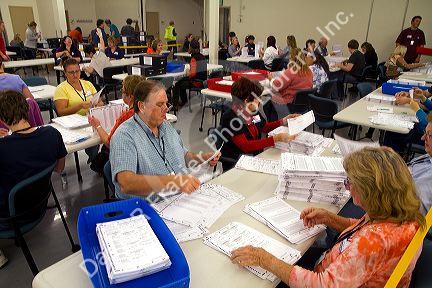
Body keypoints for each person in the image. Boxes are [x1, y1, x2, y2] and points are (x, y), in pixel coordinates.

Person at [231, 147, 425, 287]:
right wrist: (329, 218)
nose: (347, 187)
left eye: (350, 182)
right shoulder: (402, 214)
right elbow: (362, 227)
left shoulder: (374, 241)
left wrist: (264, 259)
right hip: (339, 268)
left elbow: (322, 285)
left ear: (370, 191)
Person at [110, 80, 220, 200]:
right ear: (142, 106)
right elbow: (127, 183)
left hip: (178, 200)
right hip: (147, 208)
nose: (166, 109)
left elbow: (184, 156)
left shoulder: (165, 126)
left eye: (166, 104)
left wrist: (204, 158)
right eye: (160, 104)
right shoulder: (125, 135)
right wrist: (173, 182)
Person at [0, 90, 67, 268]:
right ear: (27, 109)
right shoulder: (52, 134)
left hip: (11, 216)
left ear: (3, 118)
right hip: (40, 205)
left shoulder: (3, 148)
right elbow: (59, 169)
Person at [220, 77, 298, 171]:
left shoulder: (252, 110)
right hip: (236, 163)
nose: (260, 100)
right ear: (246, 100)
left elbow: (264, 127)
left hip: (255, 156)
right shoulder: (231, 117)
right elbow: (246, 146)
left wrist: (284, 120)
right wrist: (276, 139)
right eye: (258, 98)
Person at [89, 75, 143, 147]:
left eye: (122, 91)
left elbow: (109, 143)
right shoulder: (148, 111)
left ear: (130, 96)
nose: (121, 93)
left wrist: (97, 126)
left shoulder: (126, 117)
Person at [266, 48, 313, 120]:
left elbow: (276, 86)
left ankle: (272, 125)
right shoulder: (309, 71)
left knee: (267, 101)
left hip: (288, 103)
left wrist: (271, 79)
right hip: (303, 105)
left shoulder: (291, 71)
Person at [0, 59, 43, 133]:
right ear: (2, 65)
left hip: (4, 128)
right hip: (24, 122)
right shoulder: (16, 78)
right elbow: (30, 99)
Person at [384, 87, 431, 153]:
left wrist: (416, 108)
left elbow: (426, 125)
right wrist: (422, 98)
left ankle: (393, 159)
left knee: (394, 132)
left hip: (425, 135)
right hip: (426, 129)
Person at [173, 39, 207, 109]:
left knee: (177, 82)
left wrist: (188, 72)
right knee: (181, 81)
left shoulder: (194, 58)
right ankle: (184, 101)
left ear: (191, 48)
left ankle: (176, 104)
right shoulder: (202, 56)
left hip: (196, 82)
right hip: (203, 81)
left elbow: (192, 74)